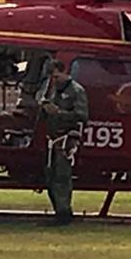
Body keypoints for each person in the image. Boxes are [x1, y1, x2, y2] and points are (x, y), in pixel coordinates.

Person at [40, 60, 89, 224]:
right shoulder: (53, 91)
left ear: (64, 72)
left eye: (56, 76)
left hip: (67, 139)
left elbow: (82, 115)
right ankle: (58, 210)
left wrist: (58, 113)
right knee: (50, 175)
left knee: (62, 176)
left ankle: (64, 213)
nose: (54, 80)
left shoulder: (76, 91)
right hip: (53, 139)